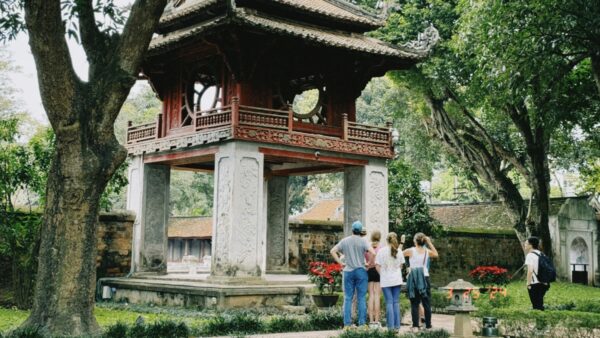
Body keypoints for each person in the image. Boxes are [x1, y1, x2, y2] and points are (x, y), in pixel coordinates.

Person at [331, 221, 376, 327]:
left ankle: (347, 324)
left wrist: (340, 263)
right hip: (361, 271)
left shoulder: (344, 241)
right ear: (360, 231)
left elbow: (332, 251)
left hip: (348, 271)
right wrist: (368, 264)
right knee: (361, 298)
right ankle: (361, 324)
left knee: (347, 298)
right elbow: (373, 253)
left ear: (352, 230)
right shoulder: (363, 241)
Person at [404, 233, 438, 332]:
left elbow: (398, 254)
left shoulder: (410, 250)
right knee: (426, 303)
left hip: (414, 278)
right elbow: (436, 254)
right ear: (424, 241)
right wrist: (429, 242)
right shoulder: (427, 251)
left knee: (415, 303)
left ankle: (415, 326)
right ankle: (428, 326)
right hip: (425, 277)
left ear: (415, 241)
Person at [375, 232, 404, 331]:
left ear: (386, 240)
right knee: (396, 302)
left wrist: (383, 274)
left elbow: (377, 266)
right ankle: (397, 327)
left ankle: (390, 327)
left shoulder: (381, 251)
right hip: (397, 279)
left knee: (389, 302)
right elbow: (401, 266)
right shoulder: (399, 251)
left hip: (386, 280)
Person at [524, 236, 550, 310]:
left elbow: (530, 271)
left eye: (526, 243)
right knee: (539, 304)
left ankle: (541, 319)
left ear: (530, 245)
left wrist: (528, 283)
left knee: (536, 306)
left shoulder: (530, 255)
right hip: (544, 283)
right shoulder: (541, 254)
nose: (525, 245)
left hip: (534, 284)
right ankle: (541, 319)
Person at [367, 230, 382, 327]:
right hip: (378, 270)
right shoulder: (382, 248)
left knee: (371, 295)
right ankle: (377, 321)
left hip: (369, 270)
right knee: (377, 295)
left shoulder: (367, 248)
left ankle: (371, 321)